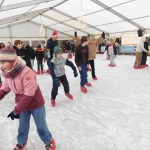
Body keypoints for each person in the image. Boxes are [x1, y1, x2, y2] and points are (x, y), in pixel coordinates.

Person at [0, 46, 56, 150]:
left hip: (36, 104)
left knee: (41, 126)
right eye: (0, 63)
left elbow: (29, 94)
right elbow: (4, 89)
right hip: (23, 106)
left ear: (12, 61)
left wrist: (16, 110)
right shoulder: (8, 74)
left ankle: (49, 141)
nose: (1, 66)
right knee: (22, 127)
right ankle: (21, 142)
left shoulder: (26, 71)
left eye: (3, 62)